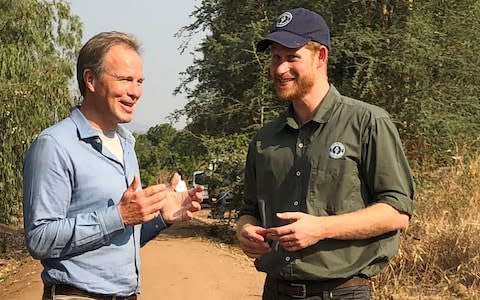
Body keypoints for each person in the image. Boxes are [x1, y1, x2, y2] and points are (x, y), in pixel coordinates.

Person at [236, 8, 415, 300]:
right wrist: (245, 230)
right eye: (275, 58)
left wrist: (321, 228)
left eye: (292, 57)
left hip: (342, 292)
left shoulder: (367, 123)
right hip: (275, 291)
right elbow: (249, 210)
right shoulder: (264, 139)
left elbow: (397, 211)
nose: (280, 69)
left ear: (321, 56)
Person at [23, 31, 204, 300]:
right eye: (125, 80)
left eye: (140, 81)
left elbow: (119, 239)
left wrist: (161, 217)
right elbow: (39, 239)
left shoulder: (126, 144)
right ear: (90, 80)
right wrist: (119, 215)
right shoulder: (55, 145)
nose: (136, 92)